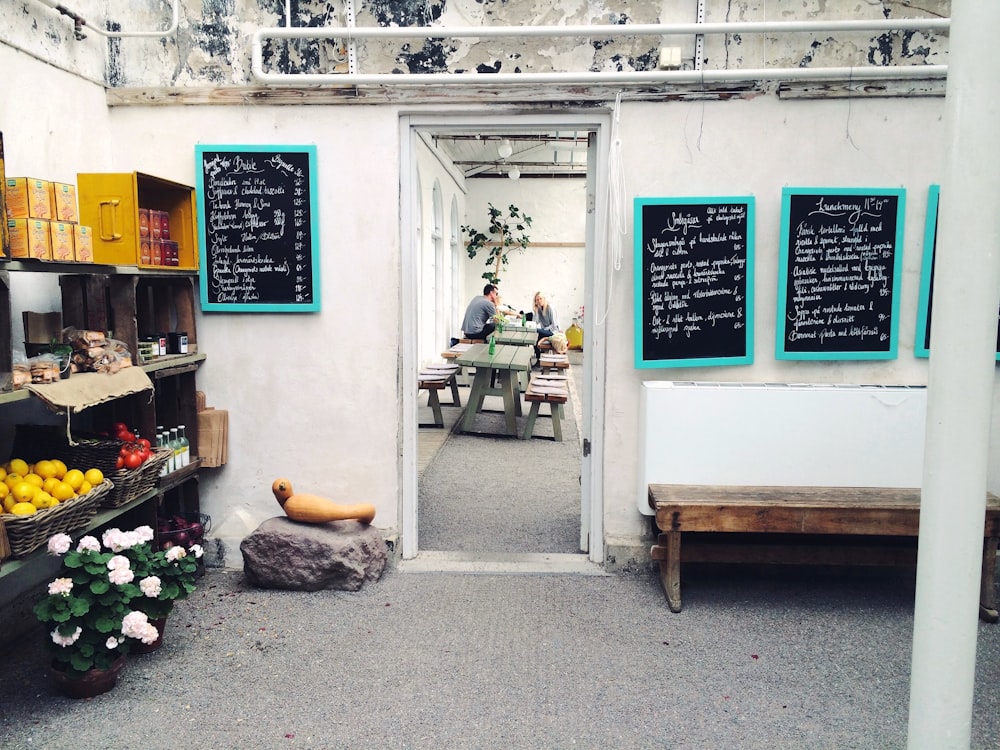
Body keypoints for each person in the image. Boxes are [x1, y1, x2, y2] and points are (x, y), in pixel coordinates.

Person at [533, 291, 560, 362]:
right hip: (545, 332)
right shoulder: (539, 309)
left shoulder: (550, 308)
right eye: (537, 300)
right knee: (533, 338)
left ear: (544, 299)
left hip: (553, 332)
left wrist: (544, 329)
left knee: (536, 331)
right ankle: (539, 360)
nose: (539, 301)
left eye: (540, 299)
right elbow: (536, 321)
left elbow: (554, 325)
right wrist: (536, 310)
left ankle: (541, 360)